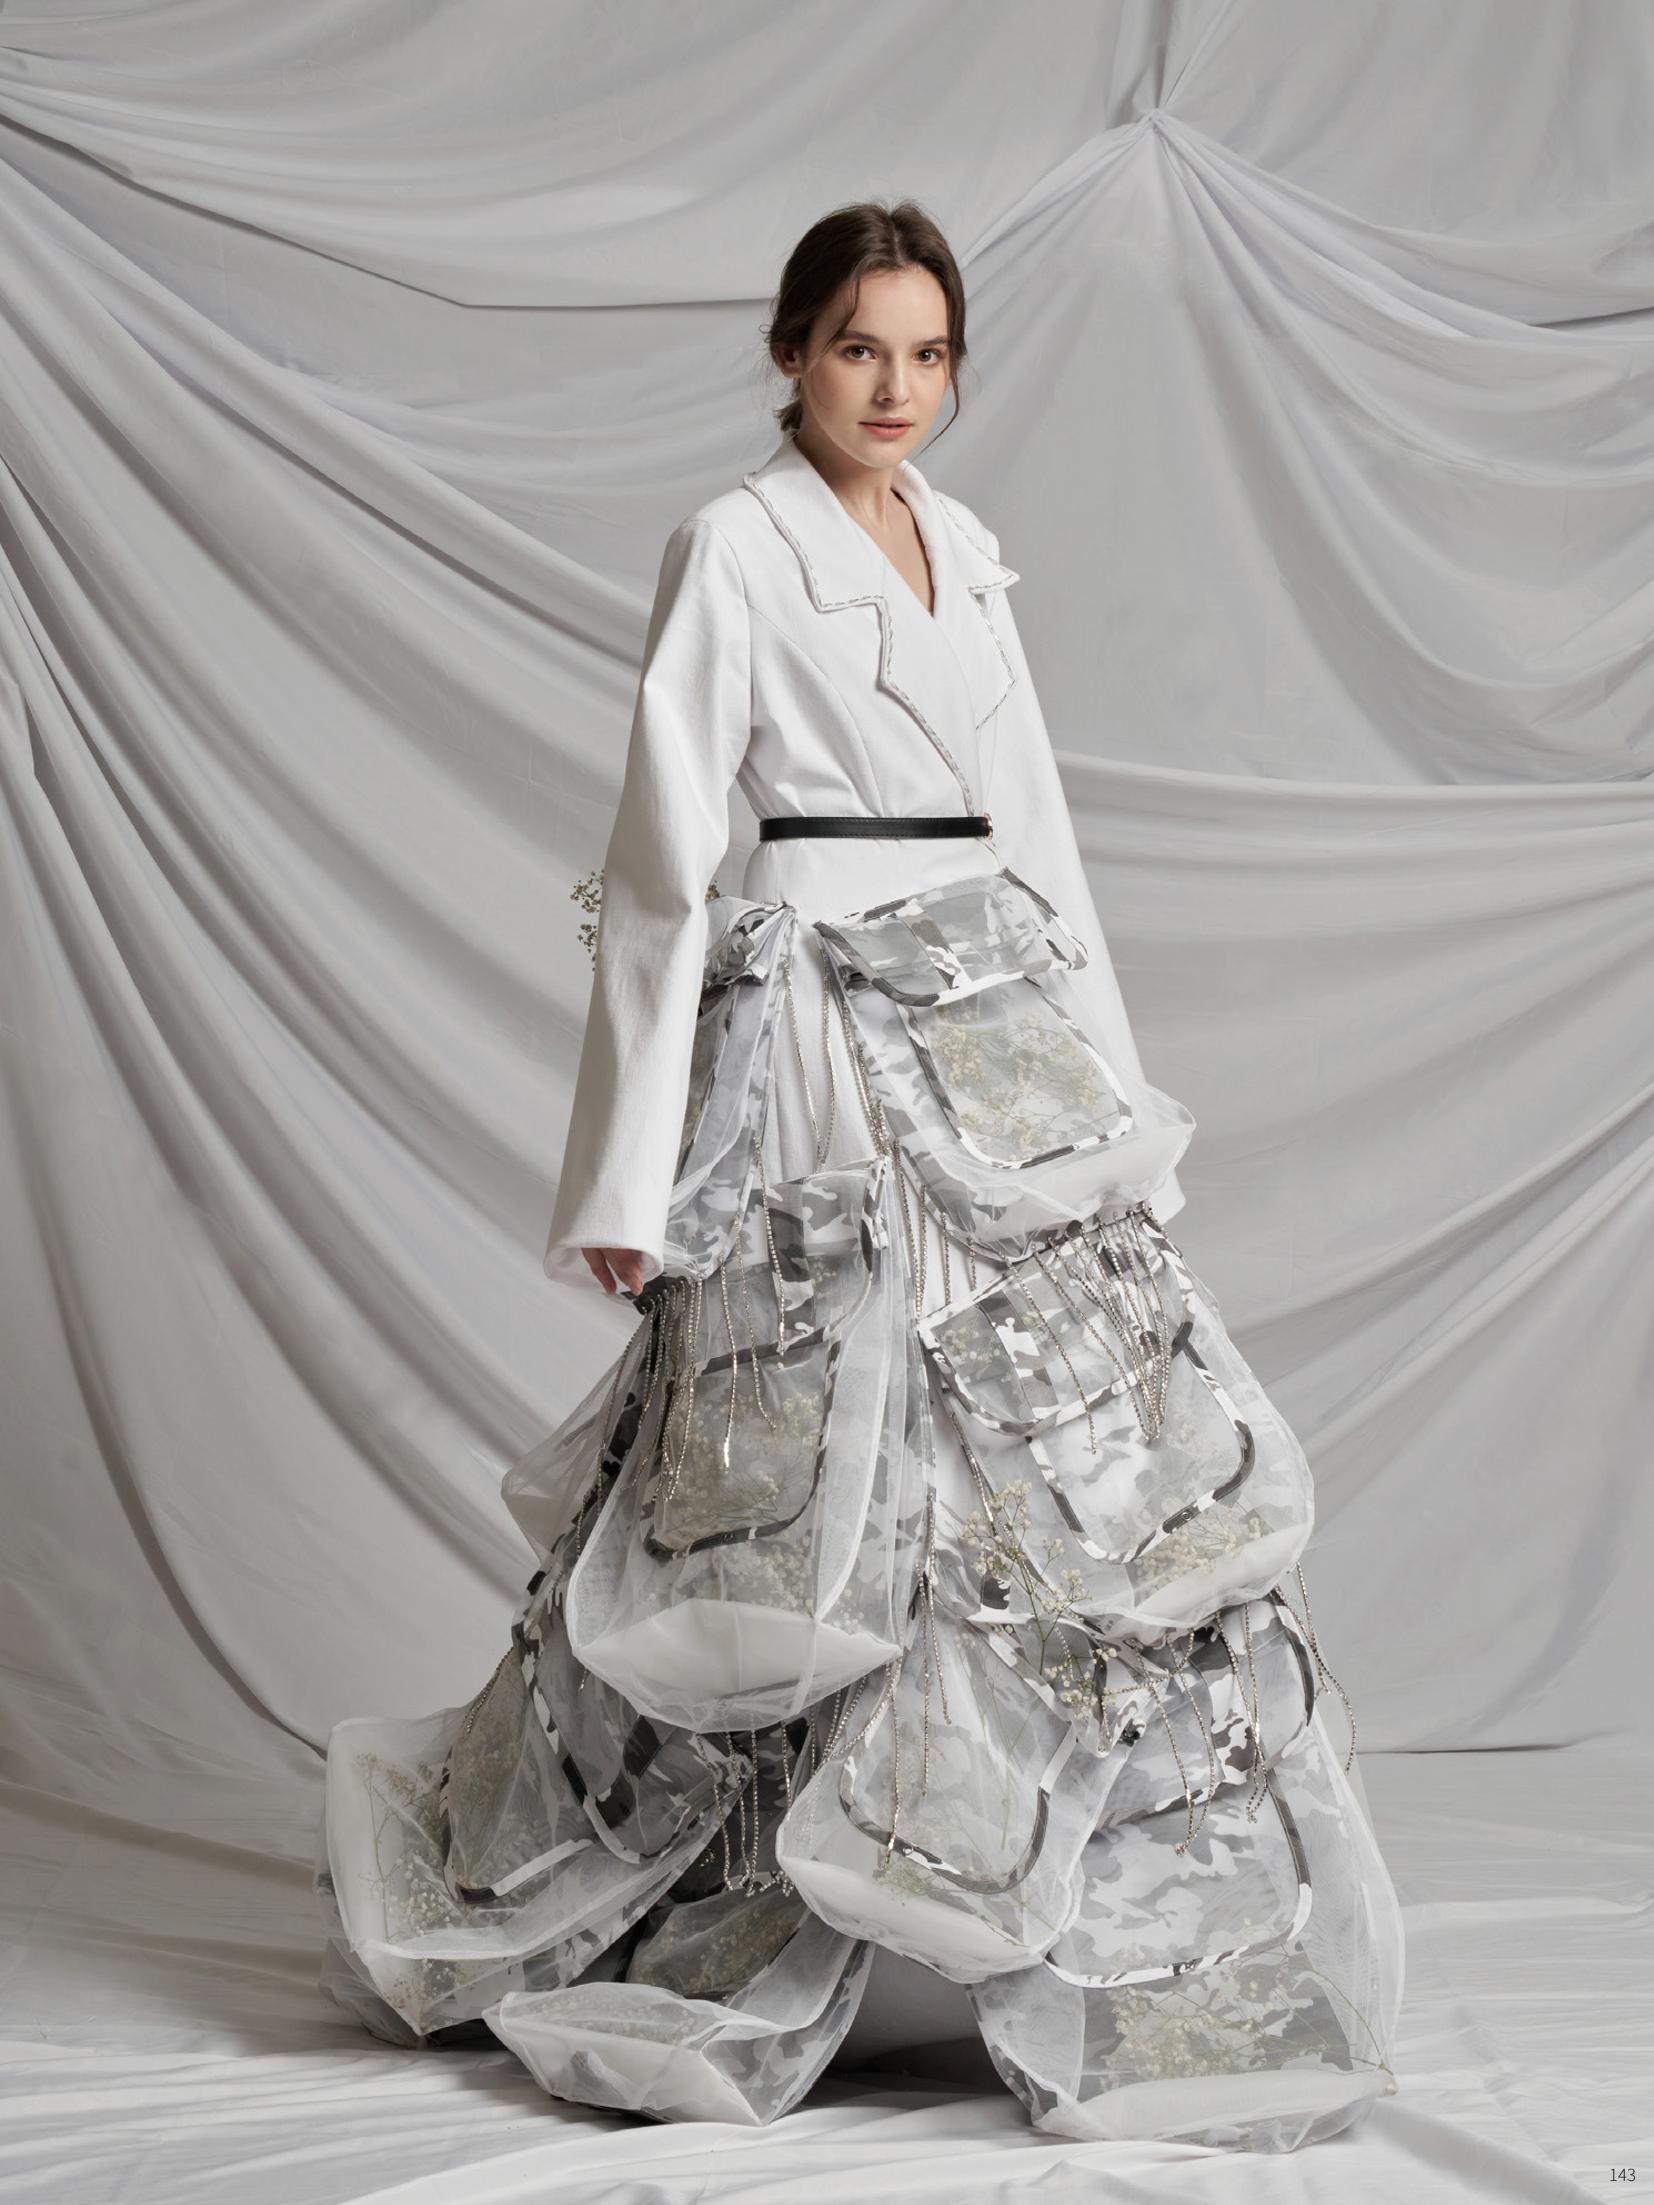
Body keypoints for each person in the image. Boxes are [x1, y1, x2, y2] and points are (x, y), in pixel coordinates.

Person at [315, 200, 1406, 2146]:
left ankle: (1007, 1870)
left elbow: (1038, 837)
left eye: (924, 352)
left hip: (992, 1024)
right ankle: (772, 1890)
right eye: (854, 347)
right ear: (789, 355)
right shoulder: (735, 545)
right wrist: (623, 1174)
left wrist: (1109, 1109)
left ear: (953, 368)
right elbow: (661, 862)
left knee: (1039, 1441)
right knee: (839, 1421)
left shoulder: (964, 550)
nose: (891, 387)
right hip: (821, 1019)